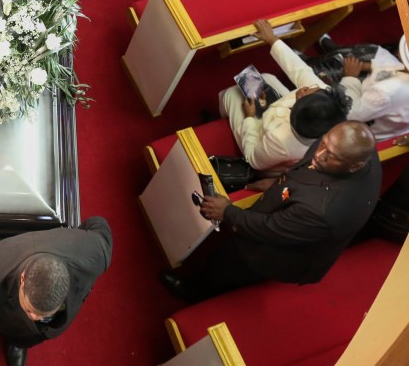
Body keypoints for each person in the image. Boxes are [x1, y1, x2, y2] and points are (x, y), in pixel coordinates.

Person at [162, 121, 381, 302]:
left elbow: (270, 229)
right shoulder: (350, 147)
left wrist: (228, 212)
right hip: (293, 213)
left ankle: (195, 291)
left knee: (231, 265)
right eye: (323, 143)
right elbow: (309, 170)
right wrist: (280, 182)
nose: (320, 155)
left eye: (331, 155)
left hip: (278, 250)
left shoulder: (323, 211)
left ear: (354, 166)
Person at [0, 217, 112, 366]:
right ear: (23, 278)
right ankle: (16, 342)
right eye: (30, 309)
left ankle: (20, 344)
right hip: (10, 317)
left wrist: (75, 238)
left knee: (35, 335)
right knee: (15, 329)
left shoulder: (98, 252)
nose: (35, 317)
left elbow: (97, 222)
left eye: (43, 314)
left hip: (49, 326)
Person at [220, 19, 354, 175]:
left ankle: (223, 112)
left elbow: (253, 158)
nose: (304, 88)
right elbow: (301, 72)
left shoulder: (280, 142)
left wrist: (249, 118)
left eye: (304, 94)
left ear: (296, 111)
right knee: (266, 78)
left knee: (230, 94)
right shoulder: (324, 97)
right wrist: (273, 40)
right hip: (278, 118)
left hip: (264, 140)